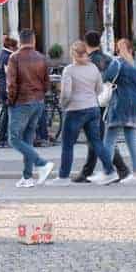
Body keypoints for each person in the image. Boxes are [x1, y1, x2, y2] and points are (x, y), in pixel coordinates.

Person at [73, 30, 131, 182]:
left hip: (92, 103)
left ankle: (122, 169)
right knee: (96, 137)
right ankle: (87, 172)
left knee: (98, 138)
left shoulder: (87, 62)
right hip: (109, 102)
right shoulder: (109, 59)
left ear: (85, 44)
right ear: (99, 42)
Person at [52, 41, 108, 186]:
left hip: (75, 109)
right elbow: (100, 89)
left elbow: (66, 93)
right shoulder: (93, 68)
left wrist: (63, 105)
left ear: (73, 54)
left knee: (68, 145)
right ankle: (110, 171)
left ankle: (63, 177)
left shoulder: (69, 70)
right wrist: (90, 96)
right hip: (93, 108)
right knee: (96, 142)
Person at [93, 38, 136, 186]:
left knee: (109, 139)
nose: (117, 51)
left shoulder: (117, 63)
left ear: (121, 50)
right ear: (131, 50)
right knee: (131, 140)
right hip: (135, 105)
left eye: (118, 48)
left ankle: (107, 172)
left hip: (120, 104)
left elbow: (106, 77)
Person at [6, 29, 55, 188]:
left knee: (13, 138)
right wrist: (40, 95)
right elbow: (47, 83)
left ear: (20, 42)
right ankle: (27, 177)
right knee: (28, 138)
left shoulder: (15, 57)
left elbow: (11, 84)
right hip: (38, 102)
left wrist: (10, 101)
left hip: (22, 101)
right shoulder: (42, 57)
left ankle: (42, 163)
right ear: (33, 41)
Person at [0, 35, 18, 148]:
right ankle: (3, 139)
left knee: (6, 113)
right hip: (7, 88)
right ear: (11, 46)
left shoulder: (1, 55)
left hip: (2, 87)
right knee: (8, 114)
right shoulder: (8, 56)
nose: (17, 48)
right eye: (15, 46)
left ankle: (3, 138)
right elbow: (10, 74)